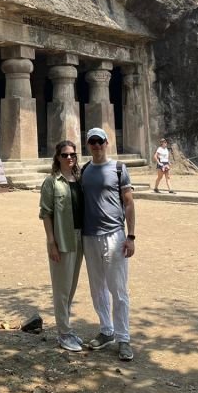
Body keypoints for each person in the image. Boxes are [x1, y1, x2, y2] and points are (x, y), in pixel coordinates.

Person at [81, 127, 136, 362]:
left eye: (100, 141)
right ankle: (106, 331)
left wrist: (131, 236)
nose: (96, 145)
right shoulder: (84, 170)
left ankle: (124, 338)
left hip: (114, 234)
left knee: (118, 290)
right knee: (97, 289)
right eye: (92, 141)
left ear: (106, 143)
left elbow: (129, 203)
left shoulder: (118, 169)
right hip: (89, 235)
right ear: (88, 145)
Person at [38, 140, 84, 352]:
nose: (69, 158)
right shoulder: (51, 182)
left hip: (79, 237)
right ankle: (63, 333)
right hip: (61, 238)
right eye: (65, 155)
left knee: (71, 287)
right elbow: (45, 213)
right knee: (61, 289)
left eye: (72, 154)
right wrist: (51, 242)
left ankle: (67, 328)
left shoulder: (79, 178)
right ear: (57, 157)